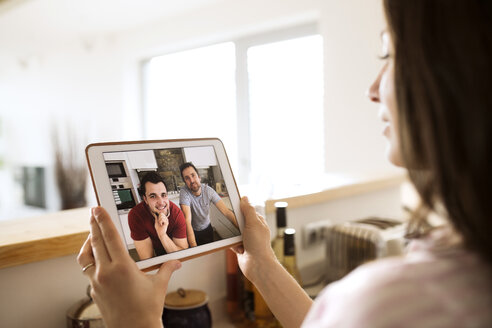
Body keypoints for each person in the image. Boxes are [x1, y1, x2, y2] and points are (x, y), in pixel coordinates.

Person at [77, 1, 492, 327]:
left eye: (390, 54)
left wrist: (133, 321)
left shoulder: (389, 304)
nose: (372, 89)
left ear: (457, 72)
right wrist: (262, 267)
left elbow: (198, 229)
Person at [128, 171, 188, 260]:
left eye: (163, 195)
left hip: (173, 247)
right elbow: (147, 259)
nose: (161, 202)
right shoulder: (136, 216)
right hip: (158, 251)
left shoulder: (177, 215)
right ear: (145, 199)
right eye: (153, 196)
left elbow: (182, 255)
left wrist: (162, 235)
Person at [179, 162, 238, 246]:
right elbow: (187, 221)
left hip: (207, 229)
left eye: (193, 175)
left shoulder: (209, 191)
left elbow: (227, 212)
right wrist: (194, 248)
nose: (191, 180)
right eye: (187, 178)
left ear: (199, 177)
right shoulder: (184, 192)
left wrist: (242, 229)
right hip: (192, 231)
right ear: (185, 182)